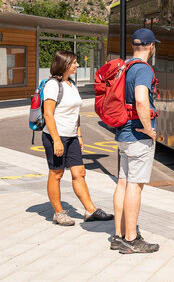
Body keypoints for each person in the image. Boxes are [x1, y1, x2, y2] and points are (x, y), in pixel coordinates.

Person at [43, 50, 113, 226]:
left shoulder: (71, 84)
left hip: (72, 136)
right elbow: (48, 115)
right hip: (55, 136)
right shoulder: (52, 85)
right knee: (56, 173)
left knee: (79, 172)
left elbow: (76, 113)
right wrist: (57, 140)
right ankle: (58, 213)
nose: (77, 65)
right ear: (64, 64)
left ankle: (90, 210)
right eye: (74, 62)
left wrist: (79, 134)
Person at [112, 28, 160, 254]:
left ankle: (118, 236)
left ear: (134, 46)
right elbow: (141, 100)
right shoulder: (143, 70)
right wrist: (149, 129)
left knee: (123, 182)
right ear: (151, 46)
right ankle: (131, 239)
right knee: (135, 186)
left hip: (123, 133)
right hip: (138, 136)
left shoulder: (125, 67)